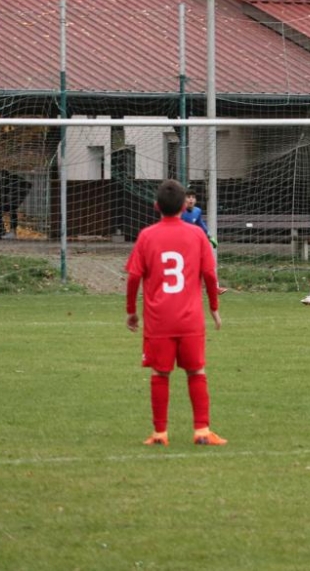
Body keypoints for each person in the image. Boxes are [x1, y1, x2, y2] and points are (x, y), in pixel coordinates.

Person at [125, 179, 226, 447]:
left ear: (156, 206)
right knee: (196, 371)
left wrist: (131, 312)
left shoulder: (147, 236)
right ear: (184, 206)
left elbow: (133, 277)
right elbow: (209, 274)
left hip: (158, 320)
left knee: (160, 374)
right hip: (190, 319)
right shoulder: (197, 235)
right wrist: (214, 308)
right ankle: (202, 431)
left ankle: (160, 433)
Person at [181, 189, 227, 295]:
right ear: (184, 199)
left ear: (195, 200)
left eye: (193, 197)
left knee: (207, 265)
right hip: (181, 246)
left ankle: (214, 288)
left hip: (193, 244)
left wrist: (210, 237)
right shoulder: (179, 212)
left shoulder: (197, 211)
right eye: (188, 197)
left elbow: (201, 224)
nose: (191, 199)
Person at [0, 170, 32, 239]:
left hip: (13, 198)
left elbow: (0, 196)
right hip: (15, 197)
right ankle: (7, 232)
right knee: (9, 211)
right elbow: (28, 184)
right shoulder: (11, 178)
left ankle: (5, 232)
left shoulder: (3, 182)